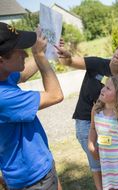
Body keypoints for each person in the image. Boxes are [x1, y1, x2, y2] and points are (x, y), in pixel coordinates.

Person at [55, 40, 118, 189]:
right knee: (96, 163)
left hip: (108, 125)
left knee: (108, 160)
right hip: (86, 122)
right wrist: (66, 55)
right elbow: (69, 62)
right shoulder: (97, 63)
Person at [0, 22, 63, 189]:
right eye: (18, 50)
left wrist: (45, 50)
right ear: (1, 61)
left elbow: (23, 73)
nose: (25, 54)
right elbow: (55, 95)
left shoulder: (4, 76)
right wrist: (40, 55)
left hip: (38, 169)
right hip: (34, 180)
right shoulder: (3, 97)